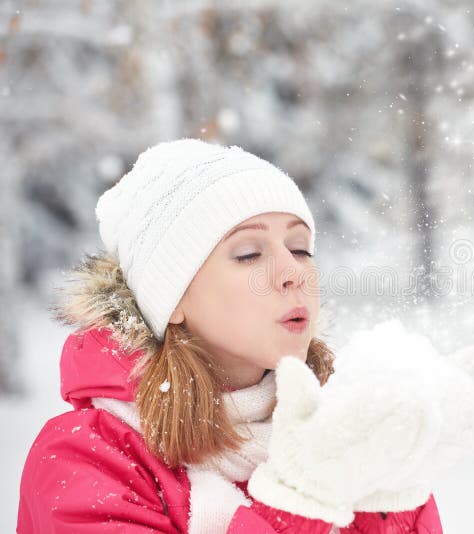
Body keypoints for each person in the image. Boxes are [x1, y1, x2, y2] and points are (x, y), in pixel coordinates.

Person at [17, 139, 443, 533]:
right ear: (171, 299)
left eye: (300, 249)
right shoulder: (85, 457)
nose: (293, 272)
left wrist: (391, 490)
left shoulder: (346, 432)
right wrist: (302, 500)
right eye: (249, 254)